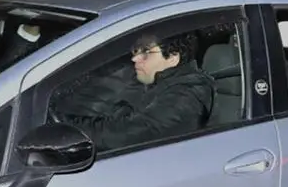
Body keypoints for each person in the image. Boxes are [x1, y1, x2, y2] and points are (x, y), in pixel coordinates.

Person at [52, 33, 216, 151]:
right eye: (135, 51)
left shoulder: (188, 94)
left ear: (173, 57)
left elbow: (127, 133)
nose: (135, 58)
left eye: (145, 52)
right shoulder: (144, 80)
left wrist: (61, 127)